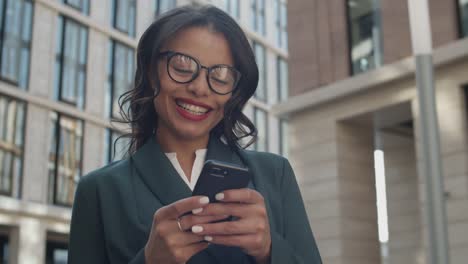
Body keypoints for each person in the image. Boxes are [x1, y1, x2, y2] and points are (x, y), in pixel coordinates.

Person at [68, 5, 322, 264]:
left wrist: (270, 250)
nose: (200, 88)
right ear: (151, 71)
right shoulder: (99, 191)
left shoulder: (274, 174)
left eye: (221, 76)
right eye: (181, 66)